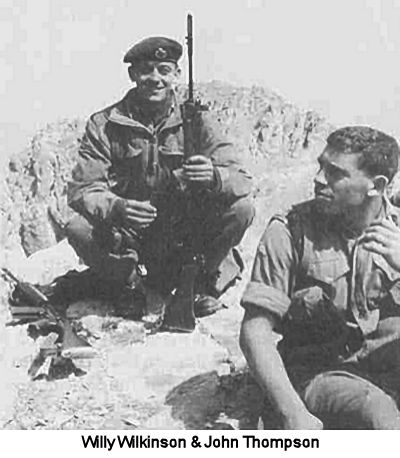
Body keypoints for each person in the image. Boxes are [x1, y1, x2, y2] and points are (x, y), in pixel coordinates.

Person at [66, 36, 254, 318]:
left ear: (176, 74)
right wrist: (118, 207)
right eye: (146, 70)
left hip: (184, 231)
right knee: (78, 228)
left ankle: (201, 284)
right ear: (132, 75)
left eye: (164, 70)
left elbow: (241, 179)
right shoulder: (104, 125)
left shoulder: (197, 120)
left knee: (242, 209)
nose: (155, 79)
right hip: (132, 232)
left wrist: (215, 176)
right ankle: (128, 285)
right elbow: (83, 189)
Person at [240, 126, 400, 429]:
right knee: (378, 413)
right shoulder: (291, 230)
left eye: (335, 173)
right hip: (321, 374)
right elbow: (255, 331)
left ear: (376, 186)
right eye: (321, 166)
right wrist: (294, 415)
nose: (318, 179)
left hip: (389, 369)